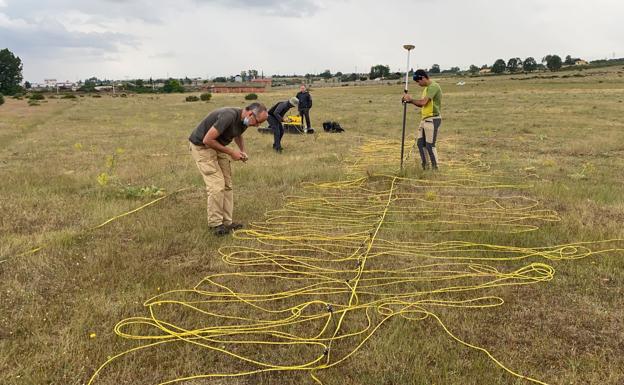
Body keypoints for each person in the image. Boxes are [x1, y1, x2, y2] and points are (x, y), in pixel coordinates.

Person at [188, 103, 268, 236]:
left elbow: (238, 135)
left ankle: (227, 222)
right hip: (202, 146)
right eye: (258, 122)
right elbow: (207, 139)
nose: (257, 126)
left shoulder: (244, 121)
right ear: (250, 114)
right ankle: (215, 224)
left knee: (227, 184)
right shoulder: (228, 116)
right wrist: (231, 152)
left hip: (217, 145)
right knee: (217, 185)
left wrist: (242, 151)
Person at [402, 69, 443, 170]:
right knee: (420, 144)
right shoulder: (426, 89)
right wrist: (409, 101)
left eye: (418, 81)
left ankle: (435, 168)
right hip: (424, 120)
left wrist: (411, 100)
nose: (418, 83)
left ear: (423, 78)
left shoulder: (433, 86)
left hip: (432, 119)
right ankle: (426, 167)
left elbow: (423, 102)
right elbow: (422, 104)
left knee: (430, 145)